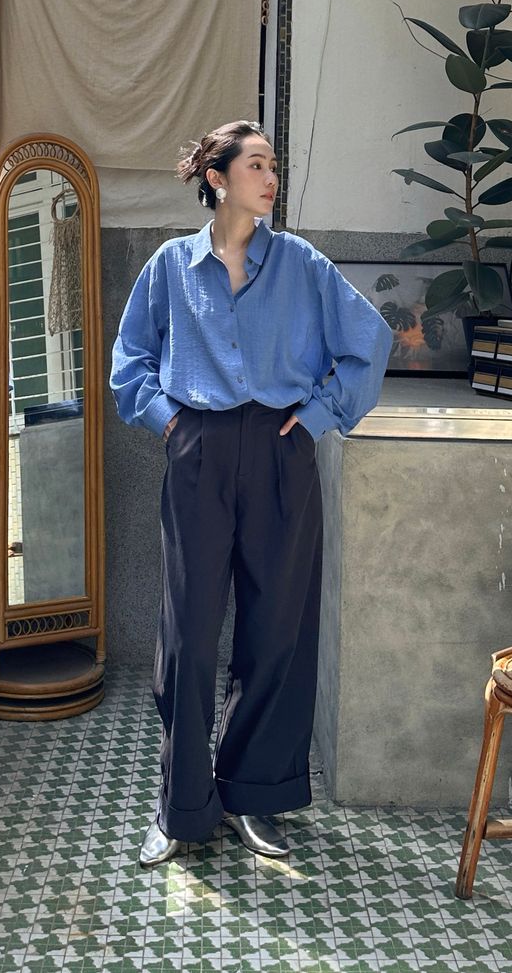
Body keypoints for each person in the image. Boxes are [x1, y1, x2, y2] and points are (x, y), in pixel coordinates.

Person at [110, 120, 392, 868]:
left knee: (275, 629)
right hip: (198, 450)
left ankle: (252, 794)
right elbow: (129, 362)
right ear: (218, 177)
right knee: (188, 632)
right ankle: (181, 806)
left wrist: (318, 418)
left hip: (279, 450)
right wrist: (171, 423)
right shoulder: (171, 267)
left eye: (274, 166)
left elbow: (370, 340)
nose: (271, 178)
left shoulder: (300, 263)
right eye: (258, 165)